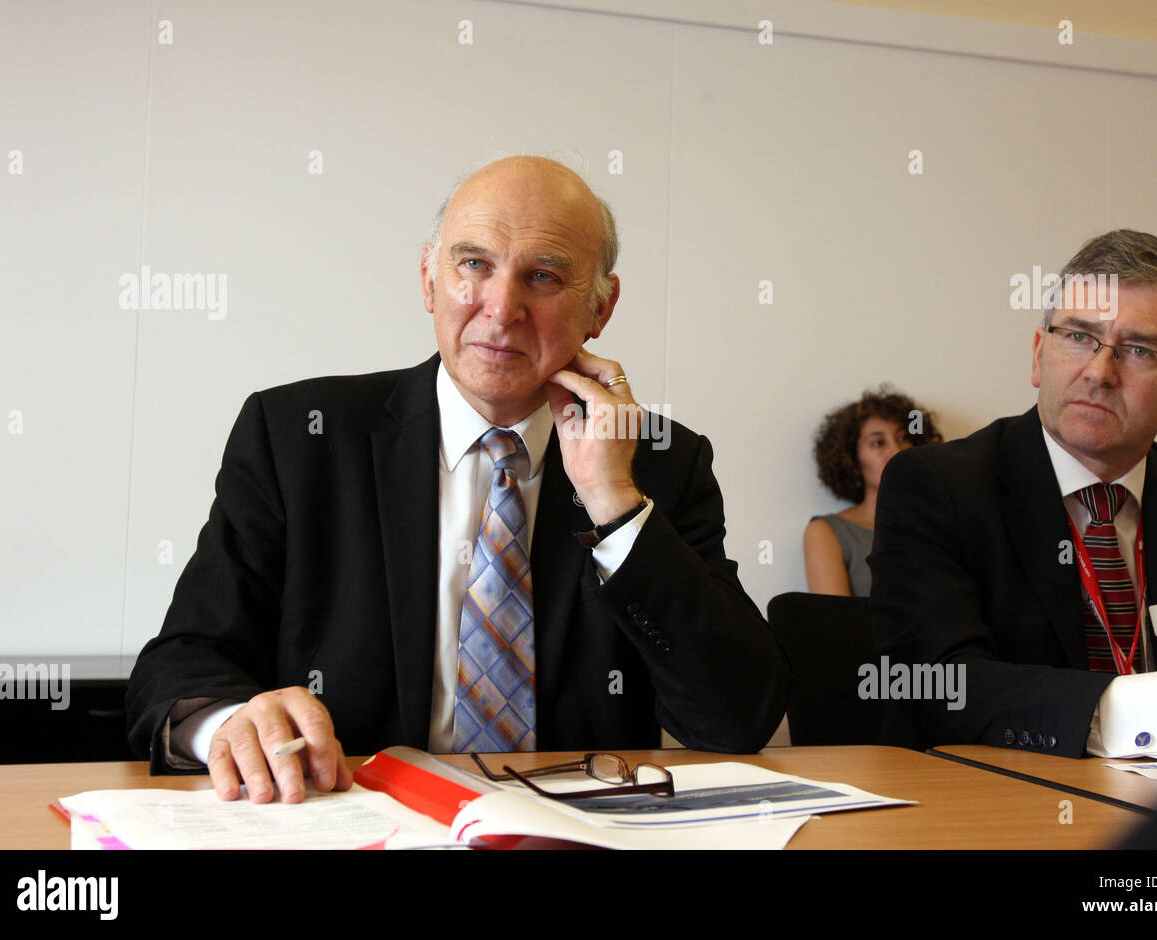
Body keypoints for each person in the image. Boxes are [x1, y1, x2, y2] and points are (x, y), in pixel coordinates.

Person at [126, 155, 789, 803]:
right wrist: (233, 725)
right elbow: (177, 666)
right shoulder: (298, 436)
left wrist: (615, 505)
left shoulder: (663, 463)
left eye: (545, 276)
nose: (502, 308)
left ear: (601, 308)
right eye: (474, 264)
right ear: (428, 279)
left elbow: (736, 719)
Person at [871, 229, 1157, 759]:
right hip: (1002, 811)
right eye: (1079, 337)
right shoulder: (937, 486)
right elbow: (937, 687)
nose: (1099, 373)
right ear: (1039, 355)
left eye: (1139, 350)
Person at [804, 388, 941, 596]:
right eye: (878, 442)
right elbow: (833, 623)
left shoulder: (941, 521)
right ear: (853, 462)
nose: (897, 450)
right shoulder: (828, 532)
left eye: (903, 438)